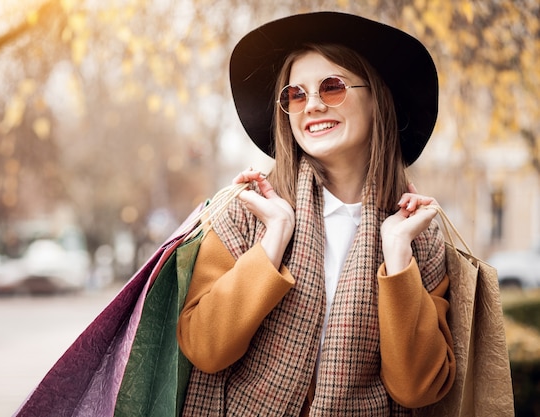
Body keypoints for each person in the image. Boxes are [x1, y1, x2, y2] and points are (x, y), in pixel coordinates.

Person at [176, 11, 456, 416]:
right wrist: (273, 241)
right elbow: (204, 348)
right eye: (296, 94)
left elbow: (417, 389)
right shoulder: (246, 212)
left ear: (379, 98)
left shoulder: (418, 237)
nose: (313, 106)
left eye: (332, 87)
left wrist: (397, 256)